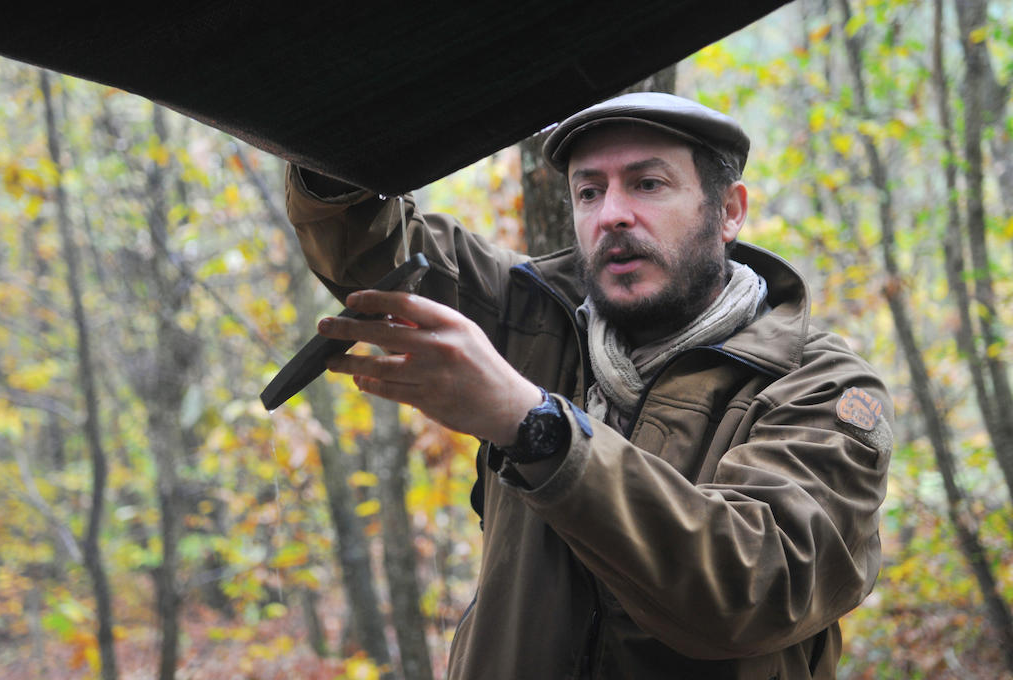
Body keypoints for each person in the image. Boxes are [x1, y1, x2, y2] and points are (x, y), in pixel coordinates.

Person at [284, 92, 892, 679]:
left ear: (729, 210)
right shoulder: (535, 314)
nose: (611, 215)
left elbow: (759, 587)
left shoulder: (818, 383)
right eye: (588, 191)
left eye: (648, 184)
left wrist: (538, 428)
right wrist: (334, 130)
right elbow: (372, 244)